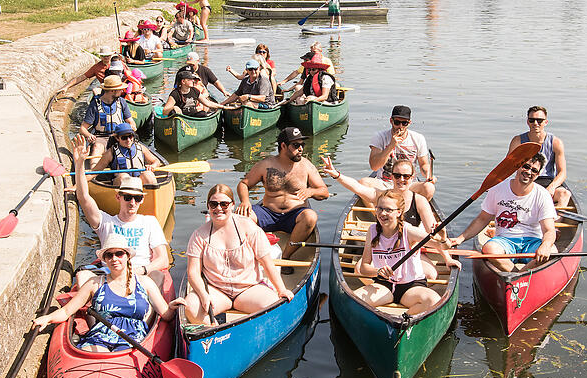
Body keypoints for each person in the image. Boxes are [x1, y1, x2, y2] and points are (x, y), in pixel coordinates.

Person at [32, 233, 184, 350]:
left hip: (135, 340)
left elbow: (166, 315)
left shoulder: (145, 282)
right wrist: (46, 319)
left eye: (119, 254)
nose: (114, 258)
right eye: (109, 255)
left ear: (127, 256)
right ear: (104, 259)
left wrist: (172, 307)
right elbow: (66, 311)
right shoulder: (95, 283)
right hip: (100, 337)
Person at [321, 156, 459, 278]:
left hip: (409, 250)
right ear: (391, 176)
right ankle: (387, 285)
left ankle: (396, 284)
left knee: (431, 274)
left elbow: (434, 233)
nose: (401, 179)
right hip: (383, 250)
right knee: (359, 270)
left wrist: (447, 258)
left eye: (406, 176)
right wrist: (336, 174)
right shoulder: (382, 195)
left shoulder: (419, 201)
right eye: (397, 175)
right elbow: (357, 188)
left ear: (412, 177)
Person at [183, 184, 292, 325]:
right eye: (213, 204)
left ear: (233, 205)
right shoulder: (199, 235)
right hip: (216, 290)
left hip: (249, 289)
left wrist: (281, 290)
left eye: (224, 204)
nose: (218, 208)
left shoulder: (248, 227)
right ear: (208, 206)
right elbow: (193, 273)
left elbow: (267, 263)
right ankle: (212, 330)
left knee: (273, 305)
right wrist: (204, 295)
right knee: (190, 306)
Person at [72, 135, 169, 286]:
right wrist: (79, 165)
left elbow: (163, 259)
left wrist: (141, 270)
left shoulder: (149, 222)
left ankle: (148, 308)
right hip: (110, 275)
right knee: (82, 276)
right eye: (128, 197)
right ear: (118, 197)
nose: (132, 202)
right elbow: (83, 197)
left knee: (157, 276)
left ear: (142, 200)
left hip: (140, 274)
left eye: (137, 198)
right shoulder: (106, 222)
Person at [446, 153, 557, 273]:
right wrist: (460, 239)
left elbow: (549, 230)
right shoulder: (497, 188)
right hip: (505, 240)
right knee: (489, 249)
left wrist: (545, 245)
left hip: (532, 241)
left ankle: (517, 276)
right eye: (526, 166)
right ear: (518, 167)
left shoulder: (542, 195)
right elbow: (483, 219)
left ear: (538, 175)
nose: (529, 172)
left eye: (534, 170)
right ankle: (517, 275)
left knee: (552, 252)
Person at [237, 127, 329, 263]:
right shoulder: (265, 165)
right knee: (241, 217)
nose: (301, 149)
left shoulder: (306, 166)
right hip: (267, 212)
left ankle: (286, 256)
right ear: (283, 146)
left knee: (310, 216)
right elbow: (244, 184)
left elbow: (324, 192)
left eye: (302, 145)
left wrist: (311, 191)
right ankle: (254, 256)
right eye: (296, 145)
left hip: (294, 214)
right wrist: (245, 201)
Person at [352, 190, 442, 314]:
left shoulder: (409, 230)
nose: (382, 213)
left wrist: (442, 239)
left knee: (434, 301)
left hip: (411, 287)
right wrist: (378, 271)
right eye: (379, 208)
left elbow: (442, 245)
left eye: (388, 210)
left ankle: (405, 319)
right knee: (352, 301)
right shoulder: (372, 231)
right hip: (384, 286)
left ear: (399, 212)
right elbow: (364, 268)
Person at [364, 105, 436, 199]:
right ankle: (378, 211)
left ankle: (413, 208)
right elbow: (374, 166)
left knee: (429, 188)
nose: (400, 127)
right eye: (397, 122)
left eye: (404, 123)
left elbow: (424, 164)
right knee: (363, 183)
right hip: (385, 184)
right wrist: (391, 146)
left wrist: (428, 174)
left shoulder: (418, 138)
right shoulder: (380, 136)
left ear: (409, 123)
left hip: (409, 185)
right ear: (391, 121)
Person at [508, 106, 570, 207]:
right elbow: (508, 166)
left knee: (564, 194)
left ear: (546, 122)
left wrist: (552, 187)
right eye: (532, 120)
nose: (535, 123)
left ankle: (554, 221)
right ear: (528, 122)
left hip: (547, 181)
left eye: (539, 120)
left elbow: (562, 173)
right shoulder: (517, 141)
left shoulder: (556, 142)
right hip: (525, 179)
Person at [78, 74, 136, 158]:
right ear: (112, 91)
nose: (122, 91)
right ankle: (95, 169)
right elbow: (82, 129)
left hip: (119, 137)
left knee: (131, 151)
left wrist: (132, 127)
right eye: (120, 90)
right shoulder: (94, 105)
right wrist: (89, 135)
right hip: (101, 138)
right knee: (96, 149)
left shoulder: (122, 102)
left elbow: (130, 121)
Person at [88, 122, 161, 186]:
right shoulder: (111, 153)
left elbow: (156, 161)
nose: (128, 140)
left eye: (130, 136)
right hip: (120, 183)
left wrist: (153, 166)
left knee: (148, 175)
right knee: (124, 177)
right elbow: (94, 172)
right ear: (117, 138)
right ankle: (126, 199)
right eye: (124, 138)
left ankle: (150, 197)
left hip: (139, 181)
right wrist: (78, 185)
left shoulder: (141, 148)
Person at [162, 72, 230, 117]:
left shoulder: (194, 91)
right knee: (174, 113)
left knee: (203, 114)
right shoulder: (175, 93)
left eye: (193, 79)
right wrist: (174, 107)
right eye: (190, 79)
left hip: (193, 116)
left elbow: (208, 103)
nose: (193, 81)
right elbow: (165, 111)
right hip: (181, 117)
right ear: (183, 81)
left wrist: (223, 107)